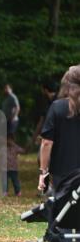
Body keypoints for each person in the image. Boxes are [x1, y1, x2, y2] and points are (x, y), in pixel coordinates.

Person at [38, 64, 80, 193]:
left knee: (64, 209)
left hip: (62, 175)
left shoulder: (57, 107)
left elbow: (46, 143)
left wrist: (43, 172)